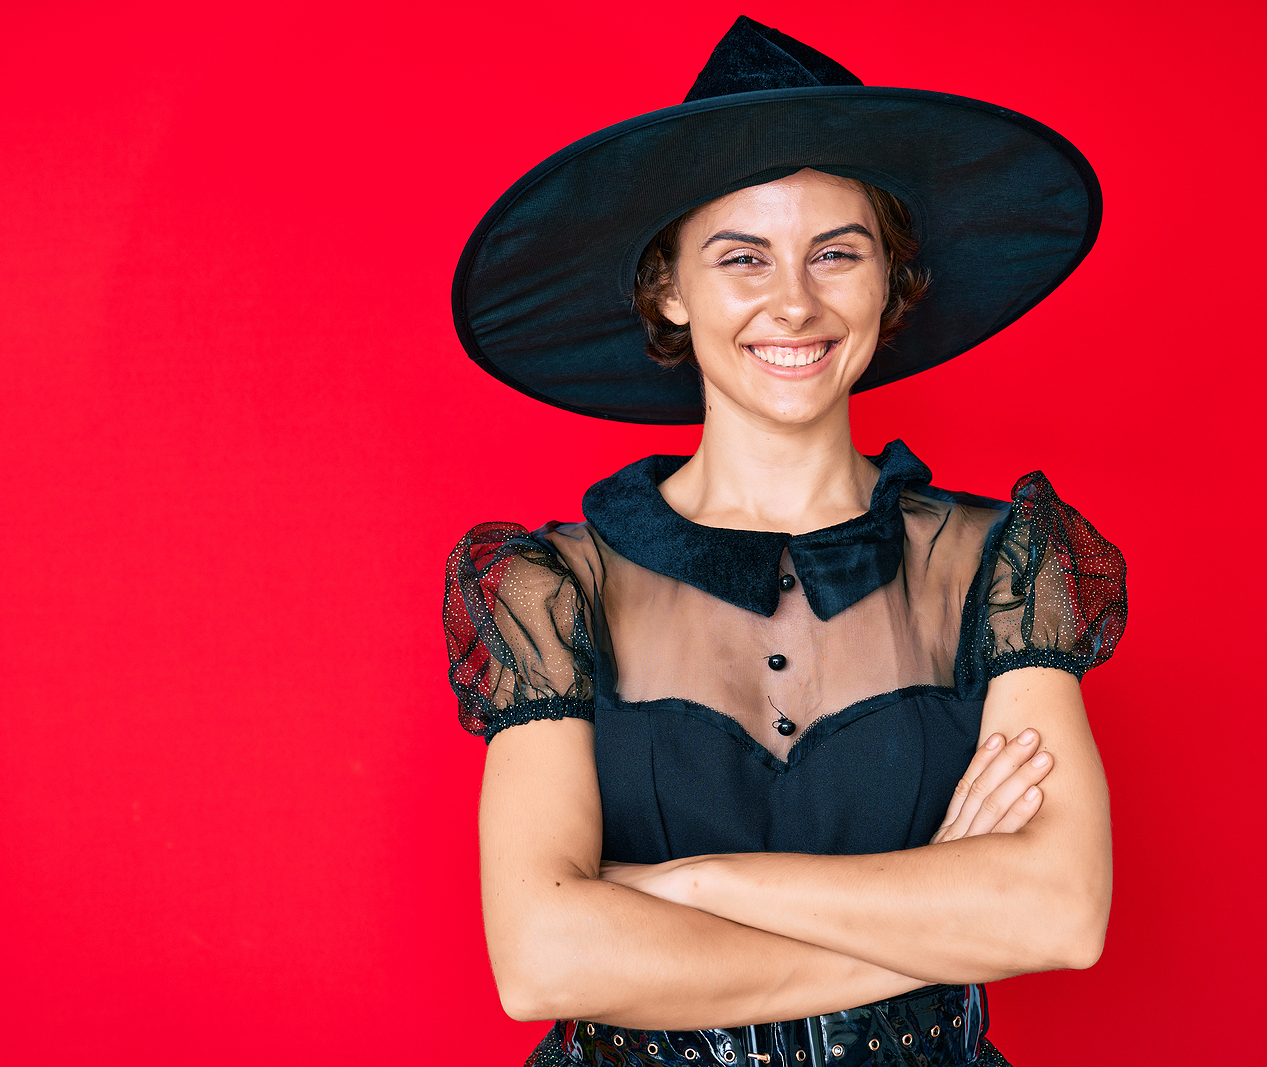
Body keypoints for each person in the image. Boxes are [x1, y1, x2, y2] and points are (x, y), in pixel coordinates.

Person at [444, 17, 1127, 1067]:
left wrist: (693, 886)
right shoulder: (550, 586)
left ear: (889, 281)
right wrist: (934, 926)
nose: (794, 302)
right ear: (670, 287)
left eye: (836, 253)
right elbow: (545, 957)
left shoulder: (1001, 562)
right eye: (742, 256)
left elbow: (1058, 913)